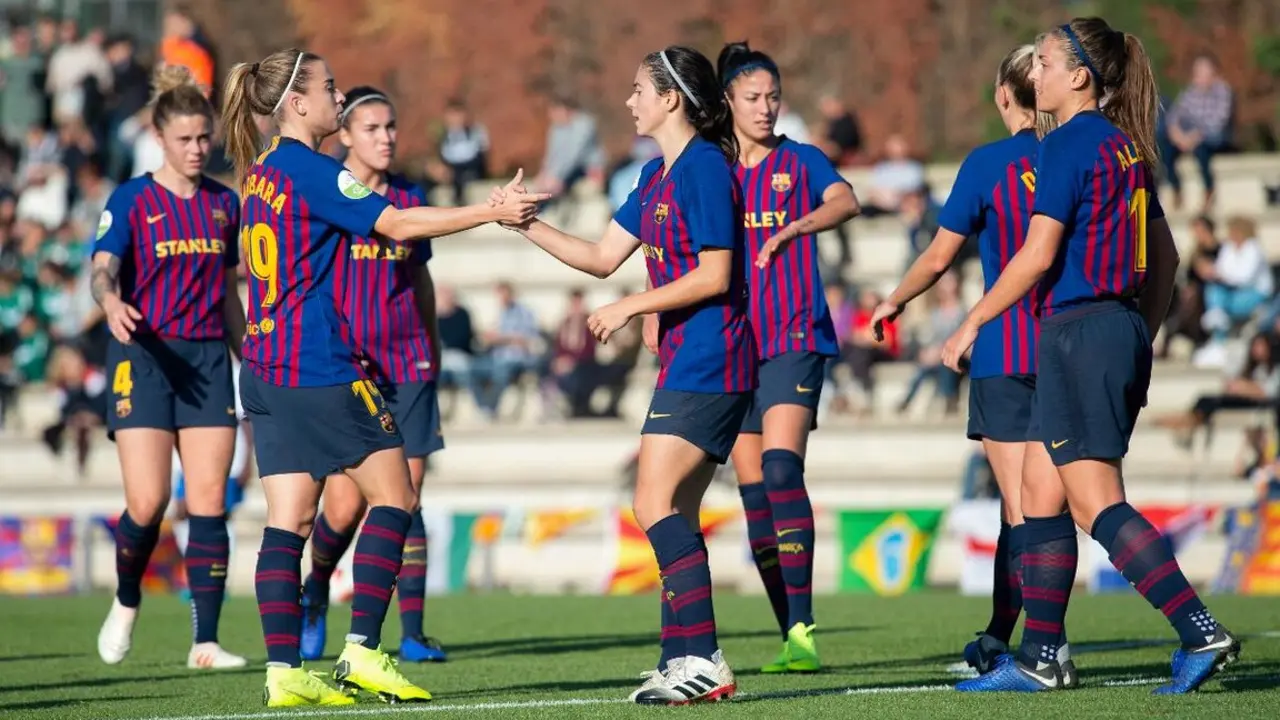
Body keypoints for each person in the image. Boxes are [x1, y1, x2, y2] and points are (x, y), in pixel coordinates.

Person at [220, 47, 544, 707]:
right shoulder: (311, 169)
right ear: (297, 104)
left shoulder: (262, 175)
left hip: (263, 367)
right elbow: (394, 222)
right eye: (330, 89)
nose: (338, 99)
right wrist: (490, 211)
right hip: (319, 367)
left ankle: (283, 672)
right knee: (396, 498)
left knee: (289, 521)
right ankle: (364, 651)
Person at [941, 18, 1239, 694]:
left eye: (1044, 63)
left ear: (1079, 76)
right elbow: (1163, 258)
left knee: (1095, 503)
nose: (1034, 74)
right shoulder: (1125, 148)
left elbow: (1038, 253)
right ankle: (1043, 657)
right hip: (1111, 329)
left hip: (1079, 333)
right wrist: (1141, 332)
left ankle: (1199, 628)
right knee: (1041, 496)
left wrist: (971, 322)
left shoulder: (1070, 143)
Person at [491, 45, 752, 706]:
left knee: (652, 504)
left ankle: (705, 658)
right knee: (675, 510)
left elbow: (717, 274)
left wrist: (637, 305)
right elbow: (602, 256)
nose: (630, 100)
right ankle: (678, 659)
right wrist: (523, 224)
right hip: (689, 359)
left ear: (671, 99)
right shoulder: (655, 178)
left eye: (639, 89)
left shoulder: (704, 169)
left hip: (714, 356)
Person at [872, 45, 1079, 686]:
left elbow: (938, 259)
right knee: (1045, 507)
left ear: (1002, 95)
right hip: (1071, 345)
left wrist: (893, 300)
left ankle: (1046, 652)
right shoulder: (1076, 153)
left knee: (1023, 511)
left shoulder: (989, 163)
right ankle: (1006, 635)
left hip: (1005, 347)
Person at [91, 66, 248, 671]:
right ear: (160, 137)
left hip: (209, 357)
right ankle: (127, 599)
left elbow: (232, 294)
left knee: (210, 500)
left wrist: (249, 357)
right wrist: (109, 301)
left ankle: (205, 641)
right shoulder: (131, 200)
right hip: (144, 358)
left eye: (204, 138)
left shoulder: (223, 205)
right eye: (185, 139)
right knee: (149, 502)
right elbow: (103, 267)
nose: (197, 149)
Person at [711, 41, 859, 675]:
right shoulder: (712, 169)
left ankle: (803, 628)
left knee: (779, 472)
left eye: (774, 97)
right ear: (727, 103)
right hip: (731, 344)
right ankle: (788, 634)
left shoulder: (799, 161)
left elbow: (847, 199)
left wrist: (796, 227)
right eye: (754, 99)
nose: (767, 108)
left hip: (794, 339)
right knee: (752, 498)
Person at [297, 86, 447, 665]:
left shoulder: (411, 201)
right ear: (346, 136)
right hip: (349, 371)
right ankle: (316, 593)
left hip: (408, 366)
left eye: (391, 127)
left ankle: (410, 631)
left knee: (406, 497)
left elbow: (423, 282)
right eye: (371, 128)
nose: (385, 138)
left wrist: (430, 347)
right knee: (340, 510)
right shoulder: (328, 196)